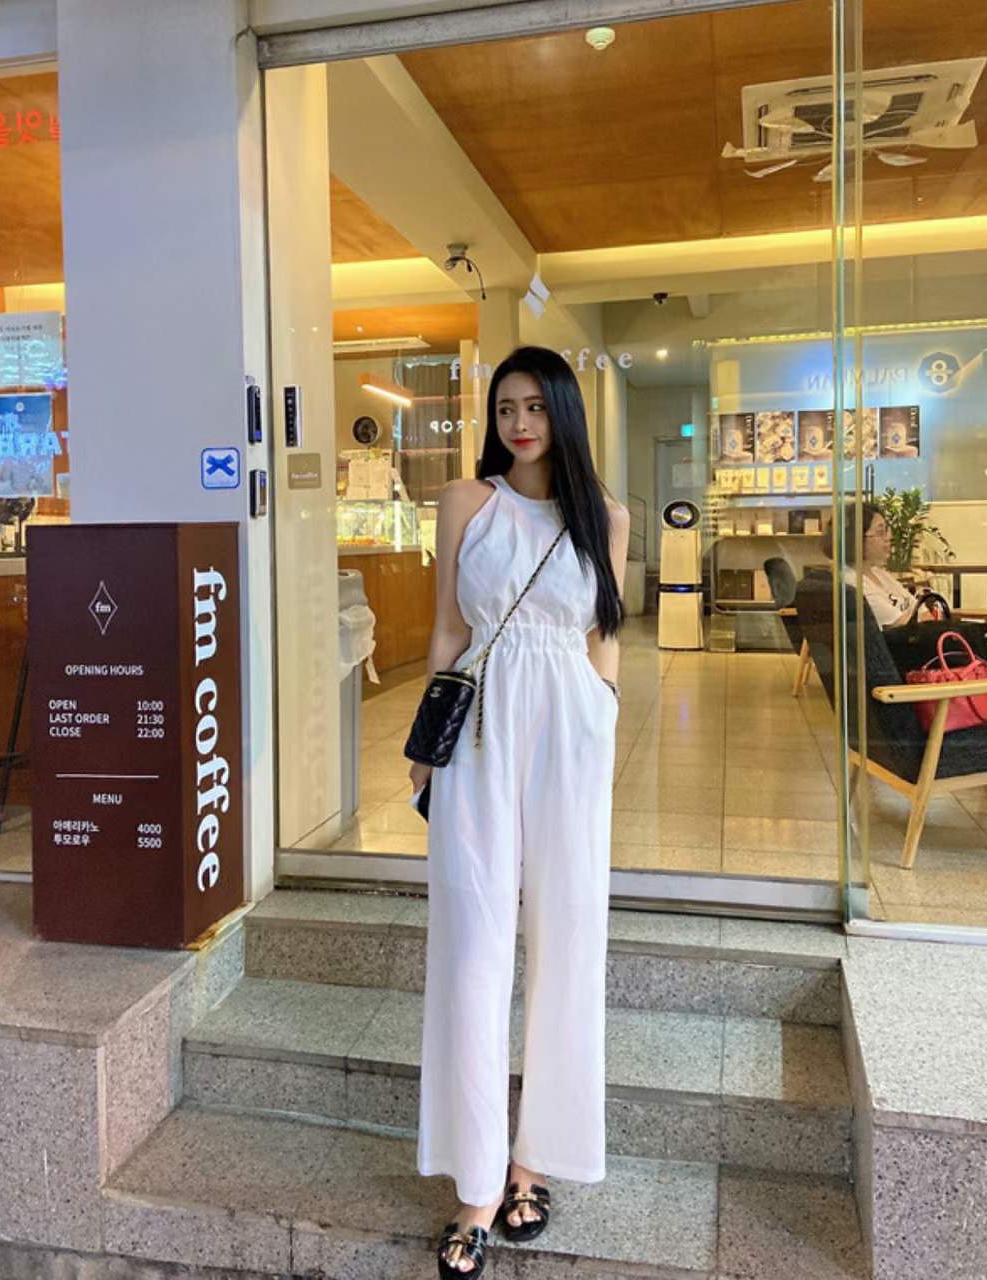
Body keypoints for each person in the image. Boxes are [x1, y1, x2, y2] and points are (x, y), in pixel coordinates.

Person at [409, 346, 630, 1277]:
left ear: (563, 413)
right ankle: (475, 1182)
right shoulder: (467, 501)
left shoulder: (604, 517)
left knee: (566, 939)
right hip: (479, 729)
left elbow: (605, 634)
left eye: (536, 406)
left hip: (570, 732)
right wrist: (424, 746)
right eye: (506, 408)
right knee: (473, 943)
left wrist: (603, 716)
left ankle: (534, 1161)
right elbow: (448, 627)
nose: (520, 423)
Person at [824, 502, 923, 628]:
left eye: (887, 530)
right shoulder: (852, 583)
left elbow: (921, 609)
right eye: (880, 532)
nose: (889, 537)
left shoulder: (878, 572)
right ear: (856, 539)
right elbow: (902, 624)